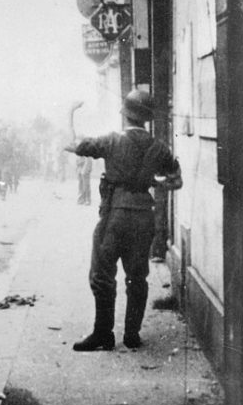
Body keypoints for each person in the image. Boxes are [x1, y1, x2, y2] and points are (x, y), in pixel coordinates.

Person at [66, 91, 182, 351]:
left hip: (114, 215)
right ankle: (132, 334)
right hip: (144, 215)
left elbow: (73, 144)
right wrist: (153, 181)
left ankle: (103, 334)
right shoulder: (159, 147)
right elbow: (176, 182)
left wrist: (70, 113)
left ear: (125, 113)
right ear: (146, 119)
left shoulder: (111, 140)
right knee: (137, 276)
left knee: (102, 274)